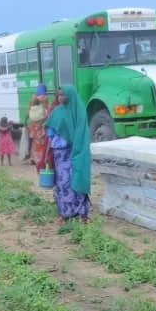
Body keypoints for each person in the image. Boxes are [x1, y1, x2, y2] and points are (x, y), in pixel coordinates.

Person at [45, 86, 92, 223]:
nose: (60, 98)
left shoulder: (79, 110)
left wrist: (76, 145)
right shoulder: (57, 112)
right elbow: (50, 130)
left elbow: (82, 131)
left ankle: (82, 213)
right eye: (58, 95)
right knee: (63, 182)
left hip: (76, 151)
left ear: (69, 95)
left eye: (62, 95)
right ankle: (65, 213)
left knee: (77, 179)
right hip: (60, 154)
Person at [27, 97, 52, 171]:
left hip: (34, 130)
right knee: (42, 144)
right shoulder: (43, 110)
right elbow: (47, 117)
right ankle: (41, 158)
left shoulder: (31, 110)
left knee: (34, 145)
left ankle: (33, 158)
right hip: (41, 130)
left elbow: (29, 118)